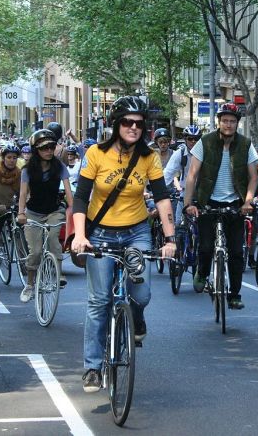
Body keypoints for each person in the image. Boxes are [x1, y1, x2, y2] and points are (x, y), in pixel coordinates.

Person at [70, 96, 175, 393]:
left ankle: (136, 316)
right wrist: (80, 235)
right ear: (116, 125)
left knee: (141, 293)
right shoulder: (96, 153)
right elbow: (80, 198)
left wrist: (170, 239)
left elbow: (162, 196)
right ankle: (92, 367)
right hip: (100, 232)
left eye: (139, 124)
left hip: (136, 232)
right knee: (99, 301)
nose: (133, 128)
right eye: (127, 122)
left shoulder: (149, 157)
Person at [183, 103, 258, 310]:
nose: (228, 124)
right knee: (206, 246)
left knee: (236, 252)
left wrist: (248, 202)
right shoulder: (205, 142)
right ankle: (202, 272)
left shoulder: (245, 145)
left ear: (237, 123)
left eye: (232, 121)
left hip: (235, 205)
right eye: (225, 120)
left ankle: (234, 295)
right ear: (219, 121)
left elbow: (253, 178)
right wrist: (188, 203)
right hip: (208, 202)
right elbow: (192, 175)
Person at [16, 129, 73, 303]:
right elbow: (23, 193)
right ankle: (30, 283)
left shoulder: (59, 167)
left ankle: (58, 273)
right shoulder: (28, 170)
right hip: (33, 213)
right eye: (44, 148)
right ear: (36, 150)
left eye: (51, 147)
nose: (49, 151)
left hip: (54, 211)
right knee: (36, 251)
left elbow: (69, 193)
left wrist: (75, 211)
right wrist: (21, 213)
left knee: (55, 239)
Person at [163, 125, 202, 224]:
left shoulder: (206, 153)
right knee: (179, 225)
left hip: (203, 194)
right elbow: (168, 173)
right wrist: (158, 190)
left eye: (196, 139)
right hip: (185, 194)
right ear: (185, 139)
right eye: (190, 138)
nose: (193, 141)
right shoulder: (179, 154)